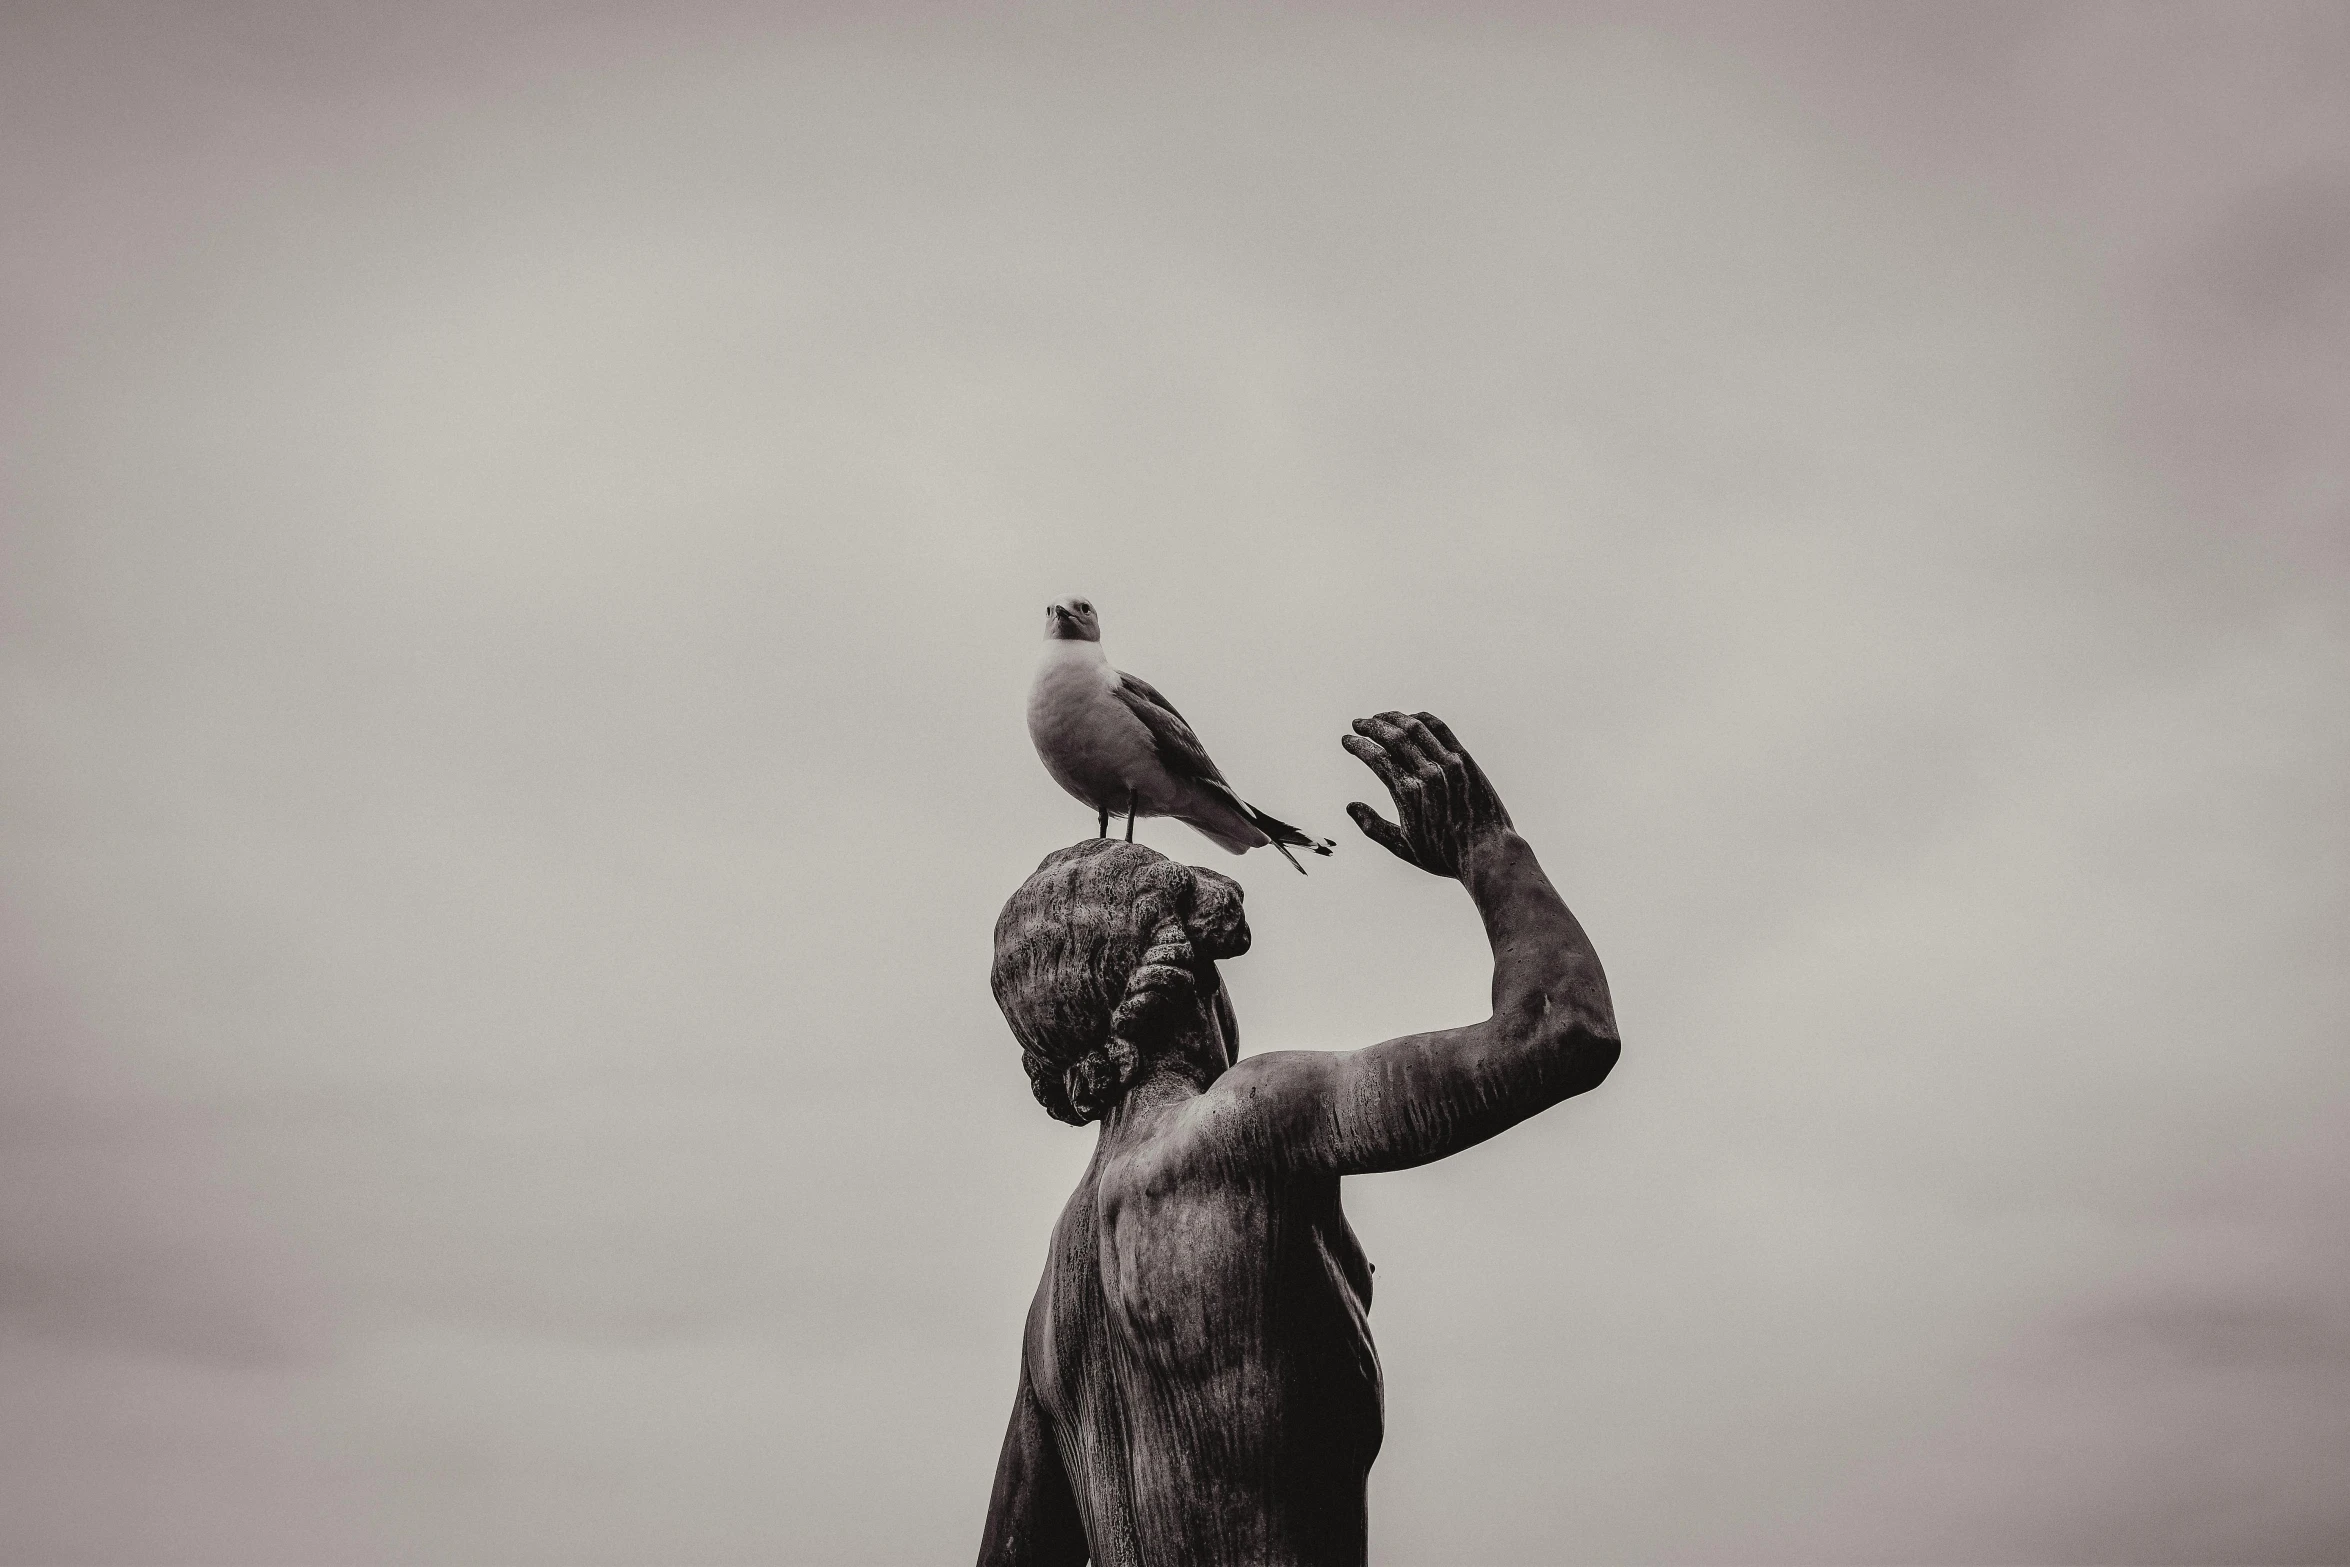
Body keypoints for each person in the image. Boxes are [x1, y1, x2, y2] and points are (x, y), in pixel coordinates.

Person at [980, 712, 1620, 1567]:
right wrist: (1486, 845)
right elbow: (1562, 1029)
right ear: (1193, 976)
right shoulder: (1250, 1122)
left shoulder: (1057, 1302)